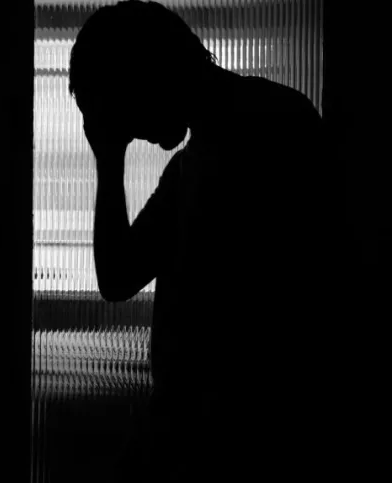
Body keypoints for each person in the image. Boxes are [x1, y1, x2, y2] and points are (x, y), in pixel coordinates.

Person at [68, 1, 349, 481]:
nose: (132, 132)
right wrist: (109, 159)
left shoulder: (267, 130)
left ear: (144, 75)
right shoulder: (205, 155)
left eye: (122, 112)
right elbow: (118, 277)